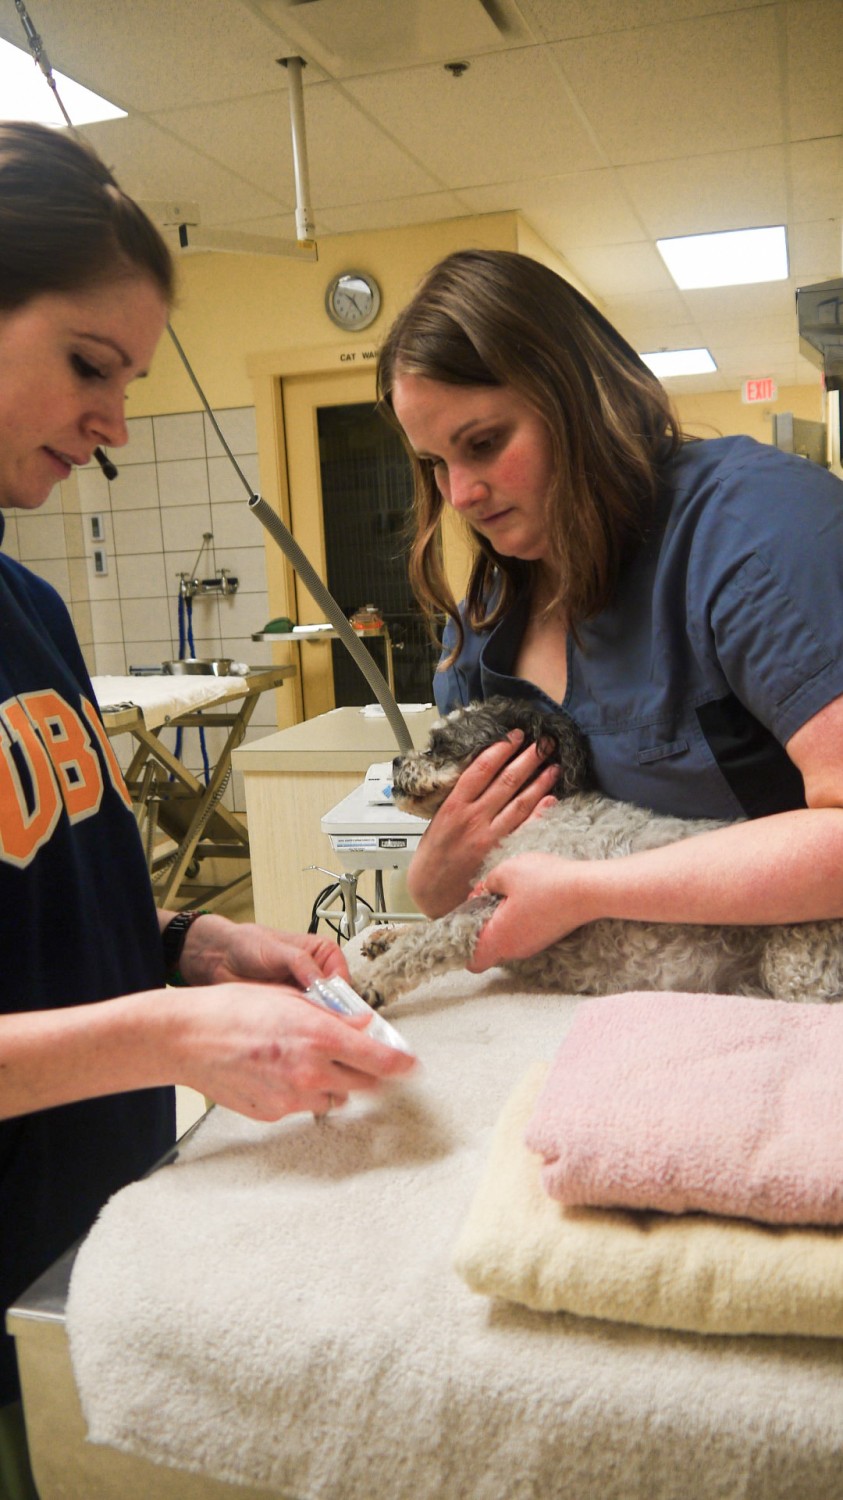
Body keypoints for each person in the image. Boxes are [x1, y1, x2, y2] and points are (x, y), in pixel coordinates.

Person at [0, 119, 414, 1459]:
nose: (116, 423)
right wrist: (175, 1044)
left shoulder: (30, 610)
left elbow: (55, 905)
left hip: (106, 1242)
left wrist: (191, 950)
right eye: (85, 365)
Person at [376, 247, 843, 972]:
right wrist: (432, 878)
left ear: (579, 397)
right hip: (591, 1010)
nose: (460, 493)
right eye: (434, 462)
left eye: (485, 443)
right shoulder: (486, 619)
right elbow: (478, 887)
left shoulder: (755, 530)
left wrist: (589, 890)